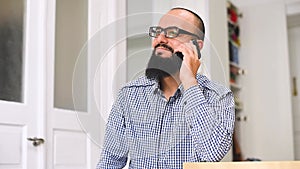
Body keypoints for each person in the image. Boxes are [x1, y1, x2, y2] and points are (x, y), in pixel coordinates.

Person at [97, 7, 235, 169]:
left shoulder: (219, 96)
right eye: (157, 32)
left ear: (197, 46)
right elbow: (110, 162)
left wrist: (189, 81)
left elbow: (212, 154)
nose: (160, 39)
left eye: (172, 32)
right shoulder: (129, 94)